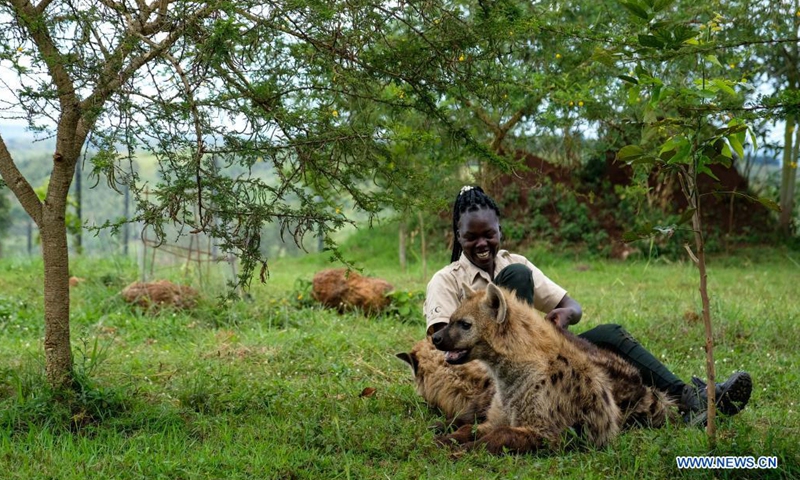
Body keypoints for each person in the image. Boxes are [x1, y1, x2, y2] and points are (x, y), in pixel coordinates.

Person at [423, 185, 752, 424]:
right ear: (458, 236)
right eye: (471, 236)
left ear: (500, 231)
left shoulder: (513, 261)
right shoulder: (447, 280)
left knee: (608, 337)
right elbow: (441, 345)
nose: (482, 243)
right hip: (498, 369)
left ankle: (692, 398)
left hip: (540, 360)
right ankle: (653, 413)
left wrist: (563, 316)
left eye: (489, 234)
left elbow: (572, 306)